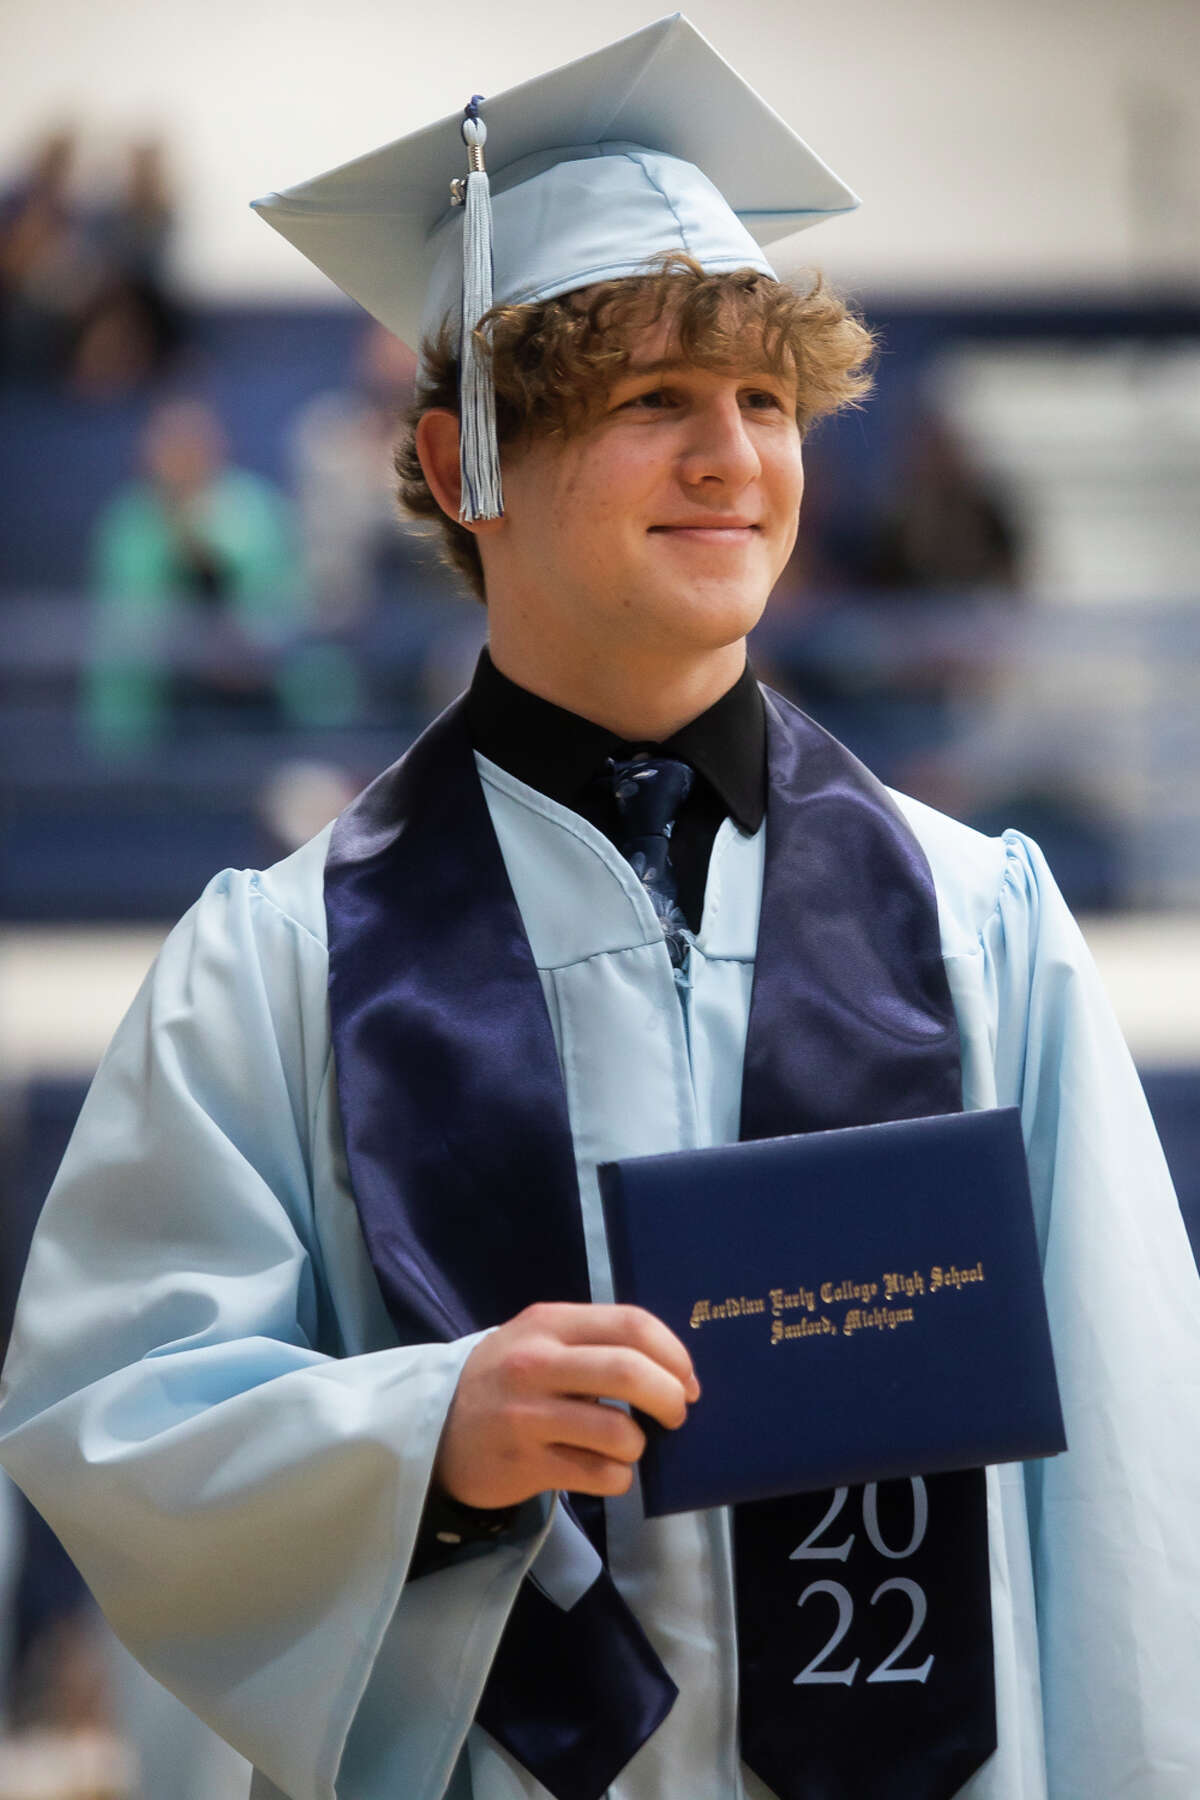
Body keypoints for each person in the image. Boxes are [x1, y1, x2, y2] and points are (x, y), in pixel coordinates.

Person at [2, 16, 1198, 1800]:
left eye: (766, 403)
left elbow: (1128, 1496)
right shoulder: (283, 964)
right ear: (468, 458)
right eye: (656, 402)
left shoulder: (978, 925)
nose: (736, 458)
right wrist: (420, 1437)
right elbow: (114, 1419)